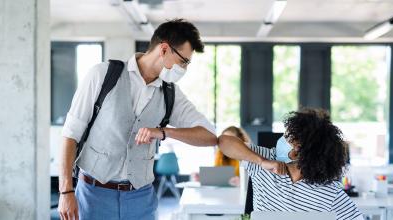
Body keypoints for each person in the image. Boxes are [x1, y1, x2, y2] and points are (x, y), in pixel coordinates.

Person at [58, 19, 217, 220]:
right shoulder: (102, 75)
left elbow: (210, 135)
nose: (184, 68)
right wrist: (66, 191)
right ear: (164, 49)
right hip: (93, 194)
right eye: (183, 61)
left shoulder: (171, 94)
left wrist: (164, 132)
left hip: (141, 199)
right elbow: (70, 135)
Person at [218, 108, 364, 220]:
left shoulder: (330, 192)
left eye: (287, 136)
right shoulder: (265, 158)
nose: (282, 139)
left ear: (296, 151)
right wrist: (262, 162)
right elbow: (224, 141)